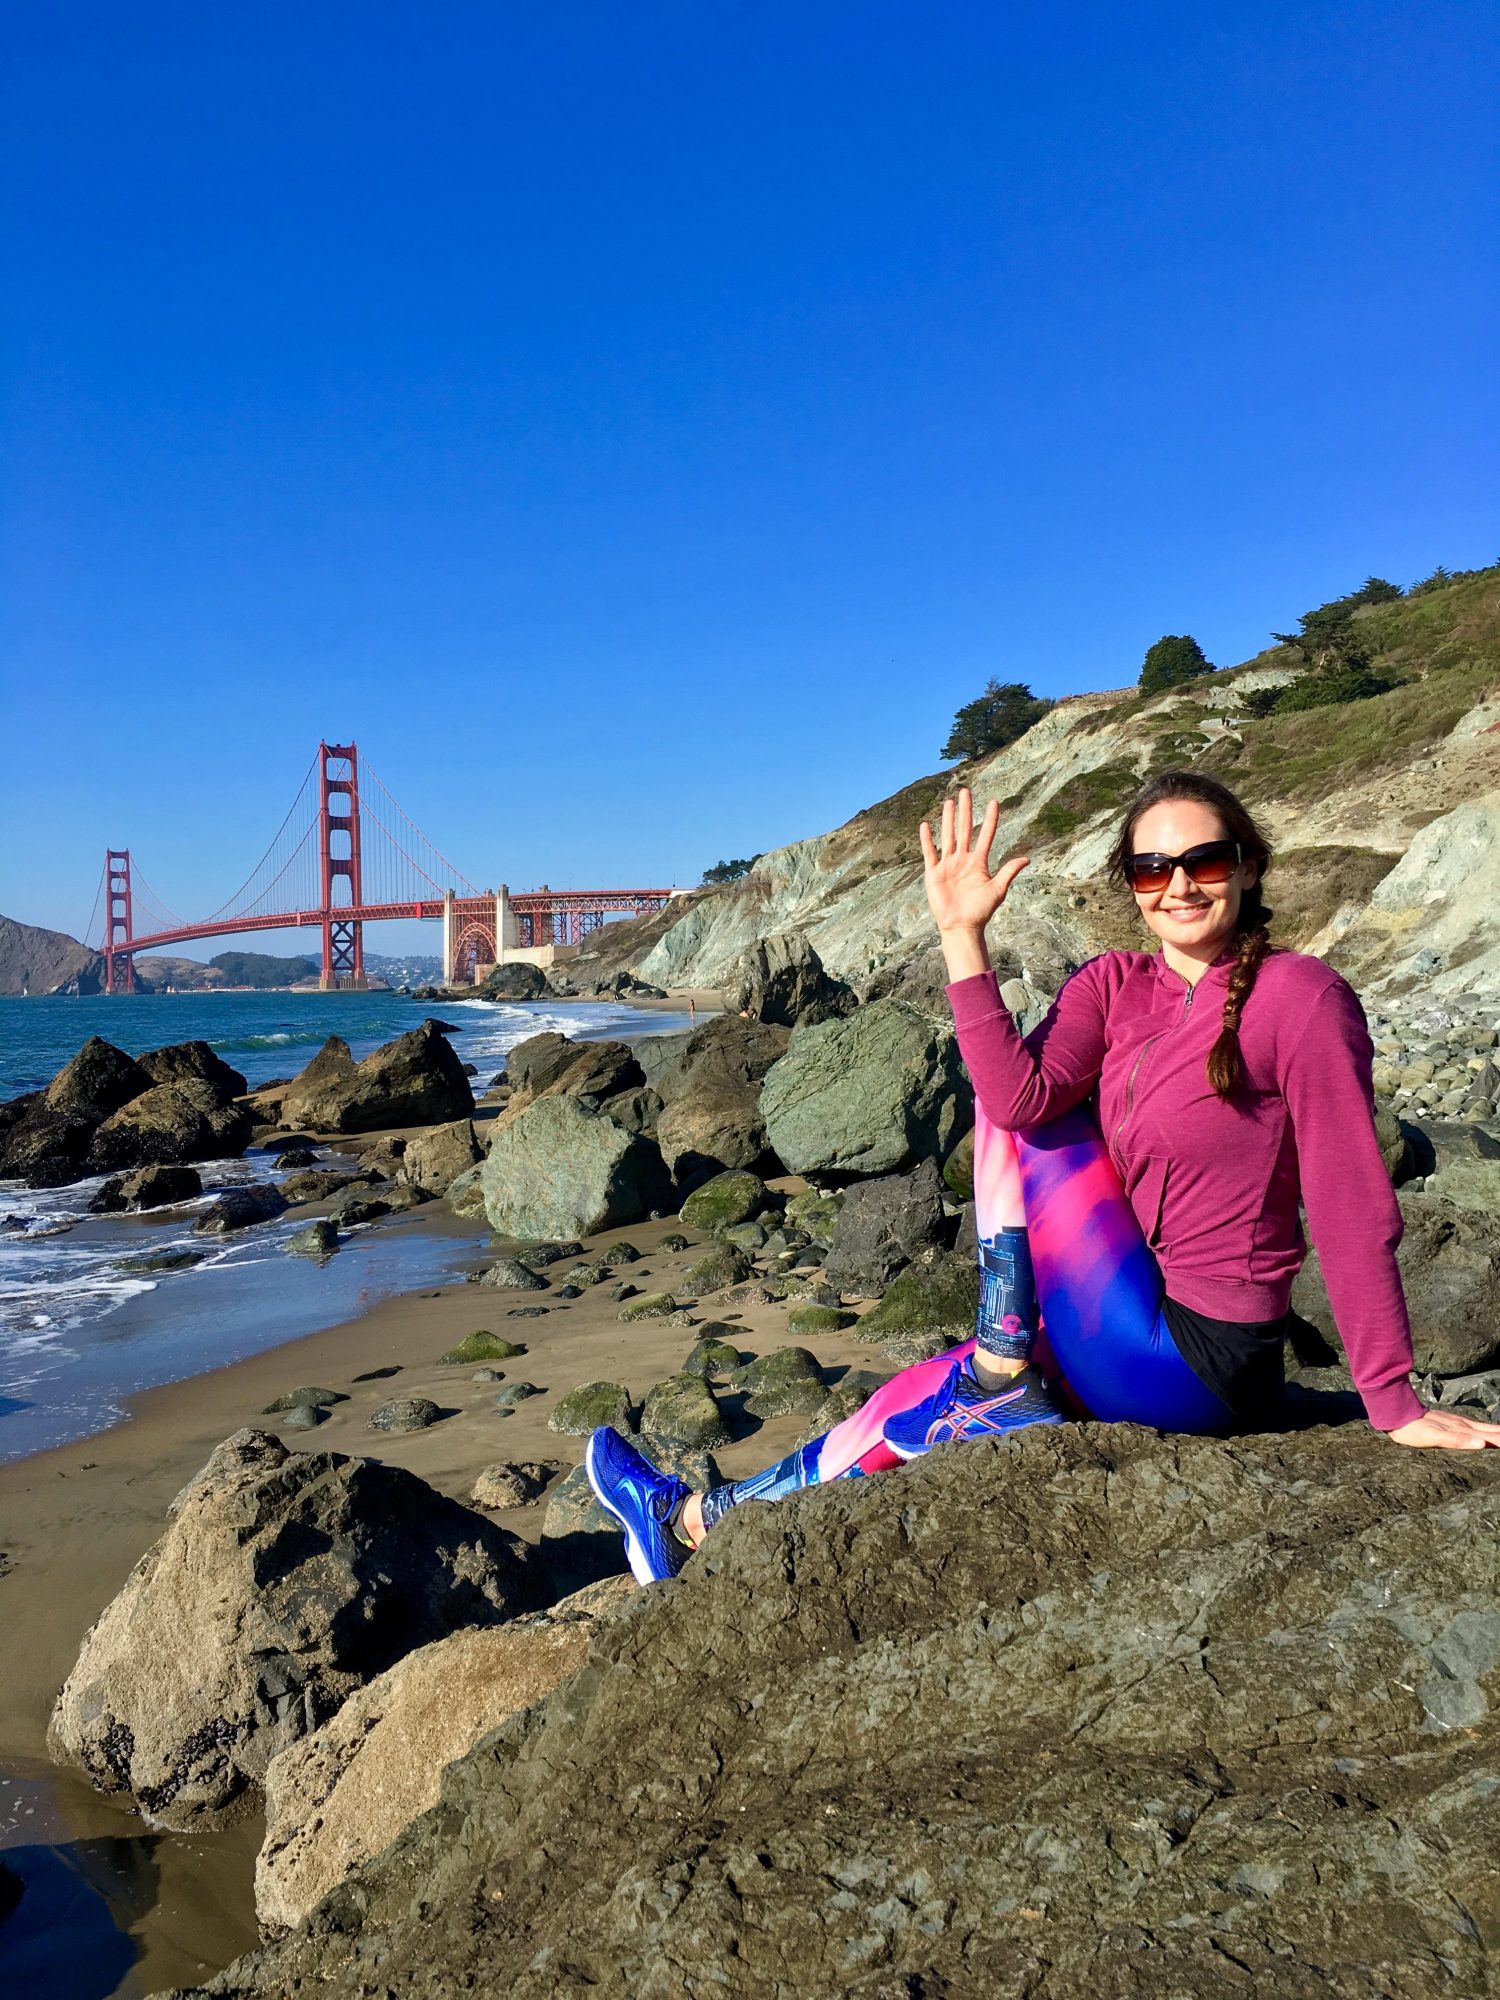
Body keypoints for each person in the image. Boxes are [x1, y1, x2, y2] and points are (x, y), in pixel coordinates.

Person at [588, 769, 1499, 1585]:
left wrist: (1392, 1401)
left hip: (1199, 1356)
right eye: (1151, 869)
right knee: (917, 1394)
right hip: (1121, 1315)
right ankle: (693, 1523)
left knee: (1017, 1116)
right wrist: (962, 934)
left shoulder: (1300, 998)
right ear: (1131, 886)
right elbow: (1017, 1086)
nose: (1179, 885)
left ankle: (1001, 1358)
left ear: (1250, 867)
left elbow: (1350, 1202)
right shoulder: (1112, 984)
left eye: (1206, 861)